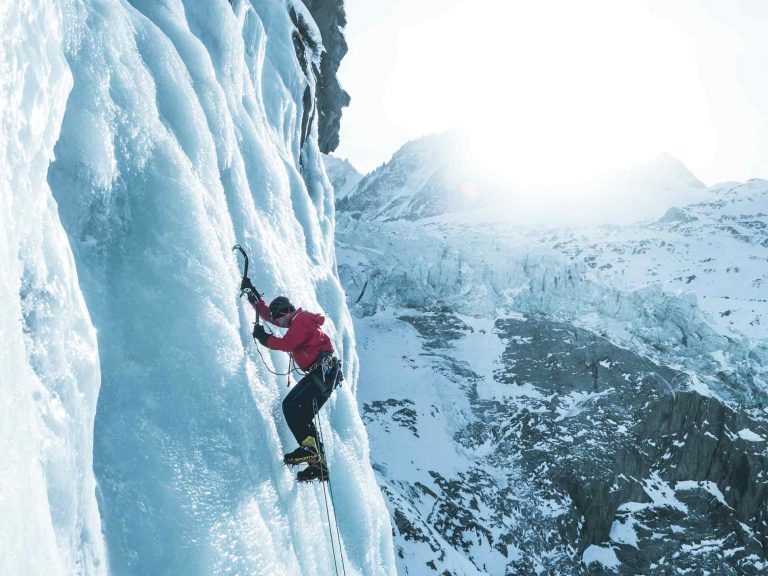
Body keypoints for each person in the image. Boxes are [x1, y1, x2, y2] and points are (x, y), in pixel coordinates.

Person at [240, 277, 342, 483]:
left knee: (290, 406)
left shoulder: (301, 319)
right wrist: (253, 297)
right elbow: (269, 317)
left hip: (322, 372)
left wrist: (264, 338)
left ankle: (310, 452)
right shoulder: (297, 322)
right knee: (302, 416)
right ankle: (318, 466)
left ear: (286, 312)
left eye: (279, 319)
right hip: (326, 375)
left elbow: (287, 344)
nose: (278, 324)